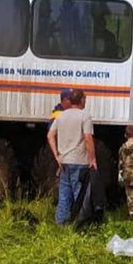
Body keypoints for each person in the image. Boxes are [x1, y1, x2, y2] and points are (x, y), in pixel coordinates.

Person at [48, 89, 97, 225]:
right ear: (81, 100)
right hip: (79, 161)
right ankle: (80, 223)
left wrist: (57, 155)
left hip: (64, 161)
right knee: (79, 193)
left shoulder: (61, 116)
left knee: (64, 193)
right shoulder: (84, 116)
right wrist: (92, 159)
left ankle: (61, 222)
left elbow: (50, 135)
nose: (85, 101)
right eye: (85, 99)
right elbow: (88, 138)